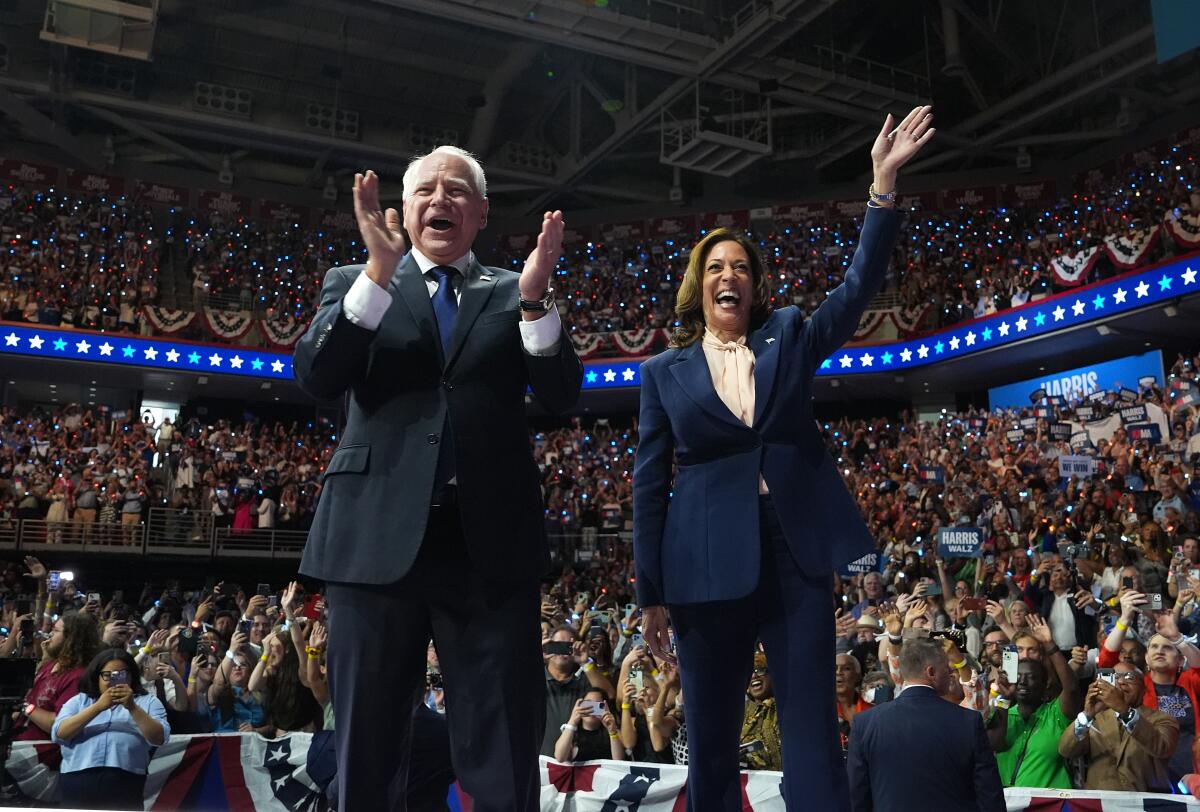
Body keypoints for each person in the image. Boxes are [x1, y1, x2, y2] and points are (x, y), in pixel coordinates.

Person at [633, 105, 934, 811]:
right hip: (701, 562)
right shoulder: (662, 373)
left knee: (808, 730)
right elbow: (649, 487)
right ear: (698, 284)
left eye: (741, 265)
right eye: (716, 266)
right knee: (710, 734)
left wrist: (882, 190)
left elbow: (856, 289)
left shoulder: (791, 334)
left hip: (794, 550)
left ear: (755, 285)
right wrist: (650, 590)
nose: (729, 274)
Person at [293, 146, 582, 811]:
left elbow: (563, 393)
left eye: (458, 191)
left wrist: (536, 303)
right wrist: (377, 272)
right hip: (372, 546)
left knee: (503, 748)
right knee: (364, 748)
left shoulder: (518, 290)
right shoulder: (354, 281)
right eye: (427, 189)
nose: (441, 199)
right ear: (403, 208)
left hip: (487, 548)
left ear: (480, 214)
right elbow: (318, 377)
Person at [847, 638, 1004, 812]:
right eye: (947, 668)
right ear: (931, 672)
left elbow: (857, 795)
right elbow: (989, 794)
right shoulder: (968, 722)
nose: (950, 674)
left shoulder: (865, 723)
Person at [51, 648, 169, 810]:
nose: (114, 680)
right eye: (107, 675)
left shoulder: (148, 702)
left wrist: (132, 708)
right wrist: (98, 706)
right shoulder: (79, 701)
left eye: (121, 674)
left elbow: (159, 738)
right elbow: (59, 734)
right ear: (97, 677)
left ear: (131, 675)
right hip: (77, 778)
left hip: (126, 780)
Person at [987, 617, 1081, 789]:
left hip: (1049, 805)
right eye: (1018, 677)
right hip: (1009, 804)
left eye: (1031, 677)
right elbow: (994, 744)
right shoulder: (1004, 712)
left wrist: (1050, 644)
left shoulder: (1055, 713)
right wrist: (1005, 700)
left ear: (1045, 683)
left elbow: (1072, 688)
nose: (1022, 682)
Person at [1057, 663, 1178, 792]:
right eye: (1115, 677)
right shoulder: (1096, 719)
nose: (1120, 681)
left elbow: (1162, 748)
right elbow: (1066, 750)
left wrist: (1123, 709)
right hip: (1101, 803)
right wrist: (1087, 714)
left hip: (1147, 804)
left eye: (1129, 677)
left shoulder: (1163, 719)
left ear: (1144, 689)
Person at [15, 611, 101, 740]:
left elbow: (58, 724)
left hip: (43, 749)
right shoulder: (50, 664)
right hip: (18, 737)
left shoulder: (78, 677)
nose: (50, 634)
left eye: (55, 631)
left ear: (71, 638)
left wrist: (25, 707)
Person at [553, 688, 624, 762]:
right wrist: (572, 721)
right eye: (587, 704)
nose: (591, 709)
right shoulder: (570, 733)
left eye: (597, 705)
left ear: (605, 708)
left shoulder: (613, 732)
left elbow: (619, 761)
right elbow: (560, 757)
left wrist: (612, 731)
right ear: (579, 707)